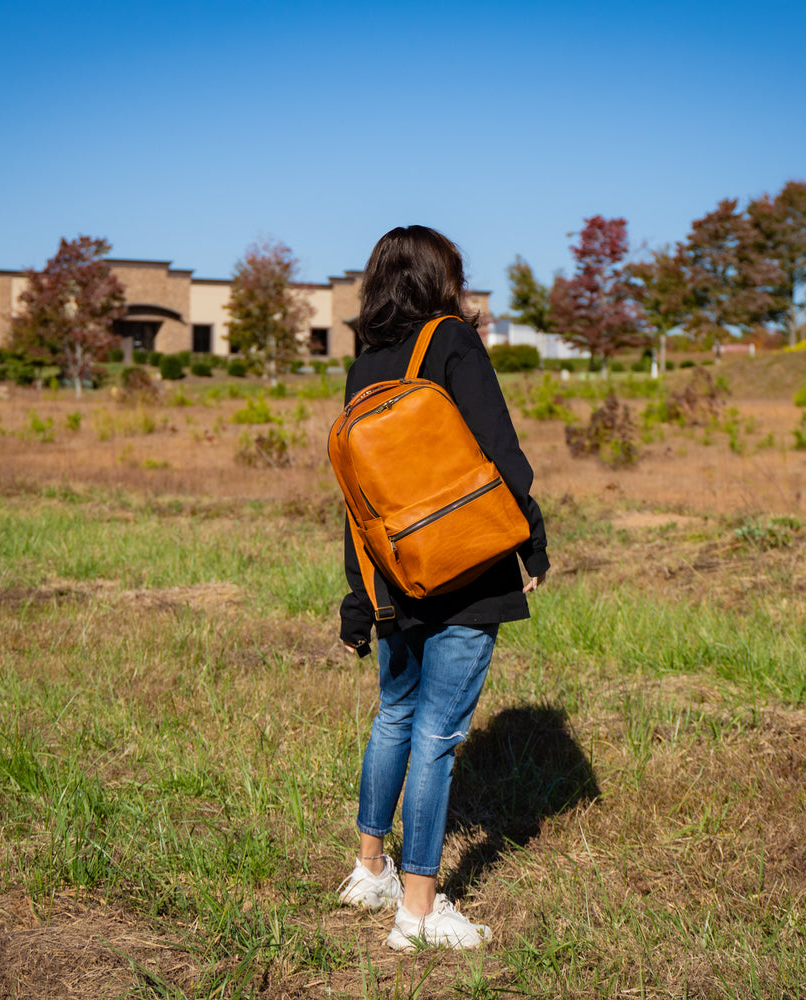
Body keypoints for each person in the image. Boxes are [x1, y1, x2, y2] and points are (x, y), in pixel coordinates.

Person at [335, 226, 550, 951]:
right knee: (437, 736)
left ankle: (371, 871)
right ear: (440, 278)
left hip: (392, 574)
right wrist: (533, 538)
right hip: (464, 565)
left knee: (396, 715)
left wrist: (359, 596)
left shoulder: (365, 365)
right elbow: (501, 454)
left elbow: (357, 496)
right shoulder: (453, 342)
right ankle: (420, 915)